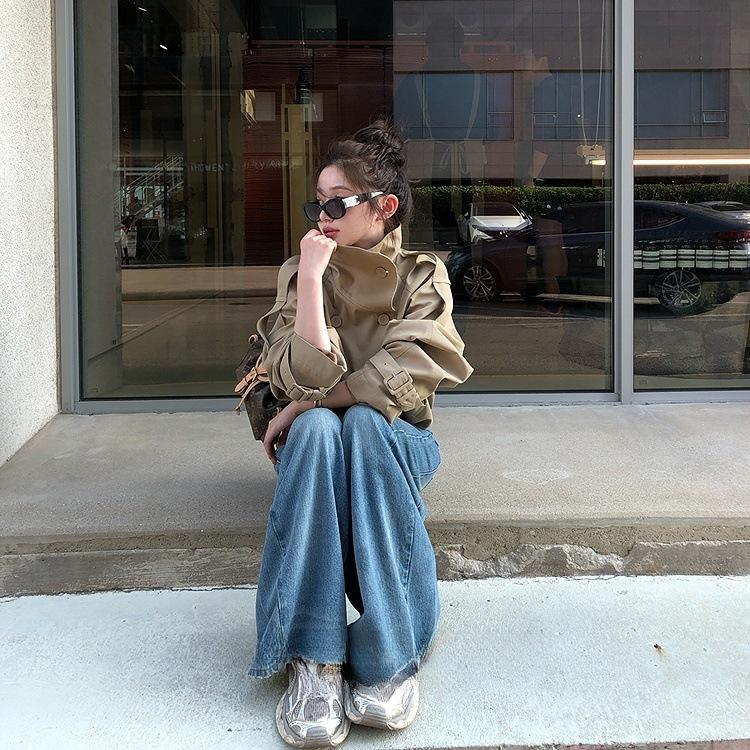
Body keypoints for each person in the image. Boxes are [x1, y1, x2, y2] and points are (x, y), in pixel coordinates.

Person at [246, 117, 474, 748]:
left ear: (384, 207)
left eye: (337, 203)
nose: (322, 216)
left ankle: (386, 653)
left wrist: (308, 404)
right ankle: (314, 659)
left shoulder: (421, 274)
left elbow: (409, 369)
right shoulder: (302, 268)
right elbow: (299, 375)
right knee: (320, 429)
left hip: (397, 442)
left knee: (366, 424)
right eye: (317, 203)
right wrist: (311, 279)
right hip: (318, 450)